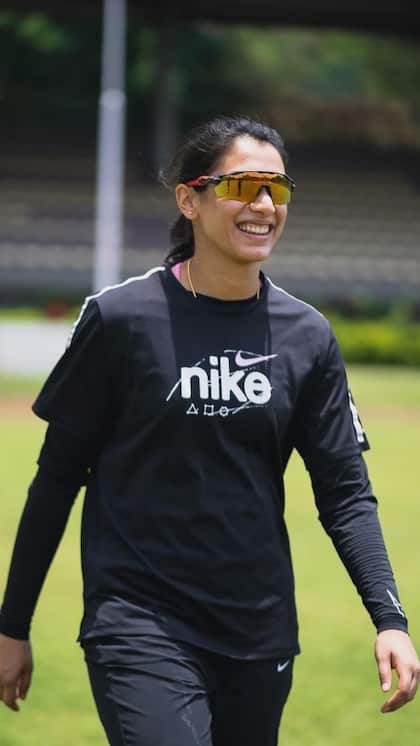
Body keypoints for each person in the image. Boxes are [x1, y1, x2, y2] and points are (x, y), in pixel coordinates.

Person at [0, 115, 419, 745]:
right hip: (138, 621)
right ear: (189, 199)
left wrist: (390, 619)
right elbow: (58, 478)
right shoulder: (122, 319)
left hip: (258, 630)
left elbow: (345, 493)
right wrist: (13, 625)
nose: (263, 205)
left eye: (277, 189)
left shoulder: (308, 336)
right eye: (242, 186)